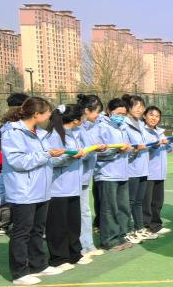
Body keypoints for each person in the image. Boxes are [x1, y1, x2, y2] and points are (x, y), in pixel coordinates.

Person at [0, 97, 64, 285]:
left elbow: (46, 159)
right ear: (36, 114)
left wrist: (67, 155)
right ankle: (19, 273)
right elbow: (18, 161)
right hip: (23, 191)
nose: (49, 116)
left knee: (37, 230)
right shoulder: (13, 133)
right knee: (22, 232)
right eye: (47, 113)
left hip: (41, 189)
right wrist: (47, 154)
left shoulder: (41, 133)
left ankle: (39, 265)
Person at [43, 104, 91, 273]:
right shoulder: (53, 135)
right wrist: (70, 157)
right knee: (58, 226)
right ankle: (59, 258)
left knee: (73, 223)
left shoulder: (73, 134)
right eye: (82, 117)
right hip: (58, 188)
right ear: (76, 120)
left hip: (73, 186)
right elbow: (51, 160)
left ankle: (74, 253)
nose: (84, 119)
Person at [90, 98, 135, 253]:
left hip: (122, 173)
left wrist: (129, 149)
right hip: (107, 174)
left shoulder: (122, 127)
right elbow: (96, 151)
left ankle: (121, 235)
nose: (121, 116)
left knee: (122, 207)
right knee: (109, 209)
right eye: (118, 113)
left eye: (123, 114)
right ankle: (109, 239)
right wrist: (116, 150)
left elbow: (127, 148)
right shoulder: (100, 127)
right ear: (109, 111)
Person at [75, 94, 105, 260]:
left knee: (85, 212)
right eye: (96, 112)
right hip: (76, 176)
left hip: (85, 175)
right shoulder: (77, 128)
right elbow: (79, 151)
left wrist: (96, 148)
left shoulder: (89, 127)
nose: (98, 116)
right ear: (87, 111)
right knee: (80, 213)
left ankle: (87, 245)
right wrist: (92, 149)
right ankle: (82, 247)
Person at [119, 94, 152, 243]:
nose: (139, 109)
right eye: (136, 106)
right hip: (131, 169)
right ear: (128, 108)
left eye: (141, 106)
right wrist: (135, 149)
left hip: (143, 168)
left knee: (138, 201)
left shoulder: (141, 124)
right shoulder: (124, 125)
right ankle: (127, 230)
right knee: (129, 201)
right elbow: (124, 148)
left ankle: (139, 229)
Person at [142, 105, 173, 237]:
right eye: (151, 115)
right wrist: (155, 145)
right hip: (148, 172)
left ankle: (156, 225)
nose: (154, 118)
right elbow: (143, 148)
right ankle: (146, 227)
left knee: (157, 201)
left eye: (157, 116)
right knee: (146, 202)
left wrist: (170, 142)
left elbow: (168, 149)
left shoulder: (160, 131)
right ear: (144, 116)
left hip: (160, 172)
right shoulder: (142, 131)